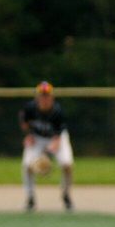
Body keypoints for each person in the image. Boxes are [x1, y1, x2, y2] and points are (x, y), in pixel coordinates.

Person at [20, 81, 74, 211]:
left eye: (47, 95)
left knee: (67, 164)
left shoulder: (58, 111)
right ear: (37, 97)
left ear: (52, 97)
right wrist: (28, 135)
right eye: (42, 95)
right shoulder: (30, 108)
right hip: (37, 138)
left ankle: (66, 194)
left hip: (56, 138)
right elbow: (24, 123)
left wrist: (48, 153)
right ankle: (30, 198)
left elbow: (57, 139)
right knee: (27, 165)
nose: (44, 98)